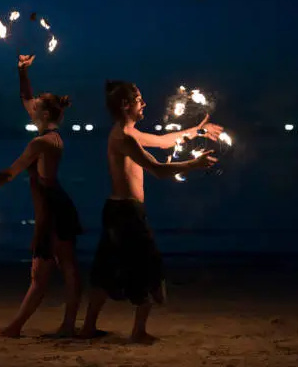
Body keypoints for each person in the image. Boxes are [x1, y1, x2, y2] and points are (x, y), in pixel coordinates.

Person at [79, 80, 223, 344]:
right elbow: (157, 169)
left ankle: (89, 327)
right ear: (126, 105)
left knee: (107, 268)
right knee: (148, 266)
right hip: (127, 214)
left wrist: (196, 131)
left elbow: (162, 141)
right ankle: (138, 331)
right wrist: (195, 163)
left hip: (117, 210)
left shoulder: (126, 132)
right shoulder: (124, 137)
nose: (143, 103)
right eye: (139, 99)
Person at [0, 54, 83, 338]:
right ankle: (61, 325)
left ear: (43, 115)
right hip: (54, 206)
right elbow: (25, 97)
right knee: (65, 268)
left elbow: (9, 173)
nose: (29, 109)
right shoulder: (50, 134)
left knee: (45, 273)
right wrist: (22, 71)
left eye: (35, 108)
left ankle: (19, 328)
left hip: (52, 210)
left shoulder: (42, 143)